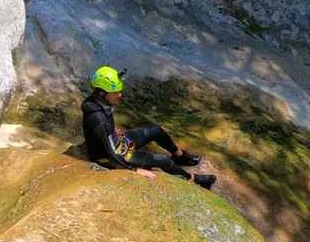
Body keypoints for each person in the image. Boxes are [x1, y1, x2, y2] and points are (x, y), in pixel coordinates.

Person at [81, 66, 216, 189]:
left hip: (118, 143)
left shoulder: (97, 102)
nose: (120, 95)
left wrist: (112, 131)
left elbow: (103, 130)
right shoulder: (98, 119)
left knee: (155, 130)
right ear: (102, 93)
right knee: (162, 160)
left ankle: (179, 156)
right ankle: (193, 179)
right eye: (116, 92)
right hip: (113, 157)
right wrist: (134, 170)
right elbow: (111, 153)